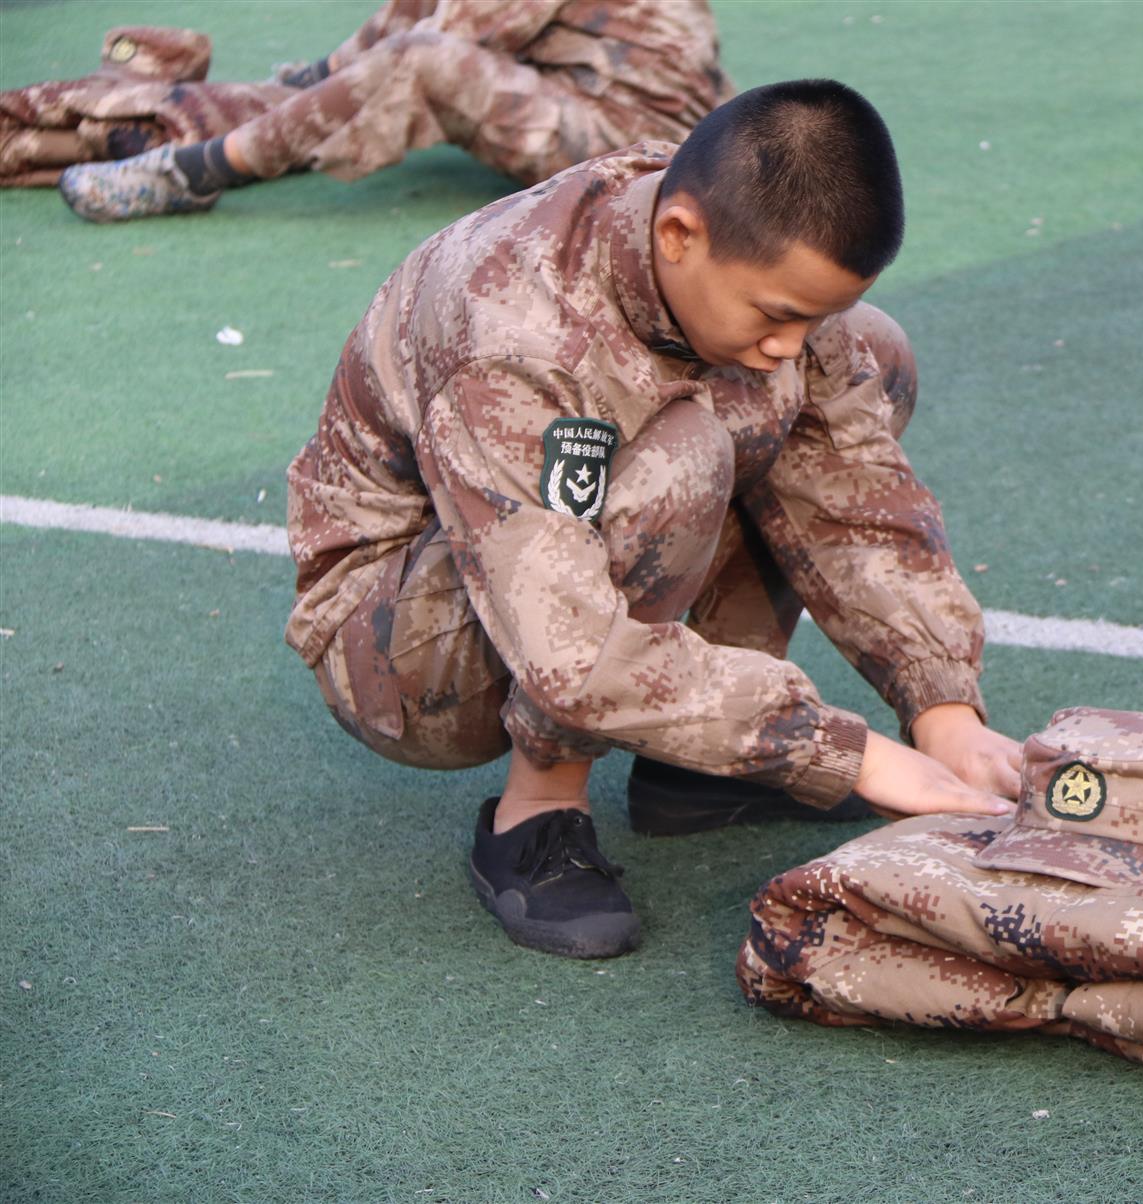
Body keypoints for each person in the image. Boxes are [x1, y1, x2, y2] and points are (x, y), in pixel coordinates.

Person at [283, 79, 1022, 961]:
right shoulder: (515, 332)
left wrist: (943, 711)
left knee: (868, 357)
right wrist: (836, 748)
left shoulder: (719, 243)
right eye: (779, 312)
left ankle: (693, 768)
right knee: (682, 459)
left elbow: (854, 495)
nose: (791, 340)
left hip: (550, 575)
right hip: (399, 640)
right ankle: (538, 812)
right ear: (678, 236)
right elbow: (567, 645)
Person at [57, 0, 729, 222]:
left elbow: (454, 39)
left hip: (634, 142)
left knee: (425, 58)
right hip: (626, 104)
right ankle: (306, 91)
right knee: (418, 35)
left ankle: (195, 171)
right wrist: (326, 80)